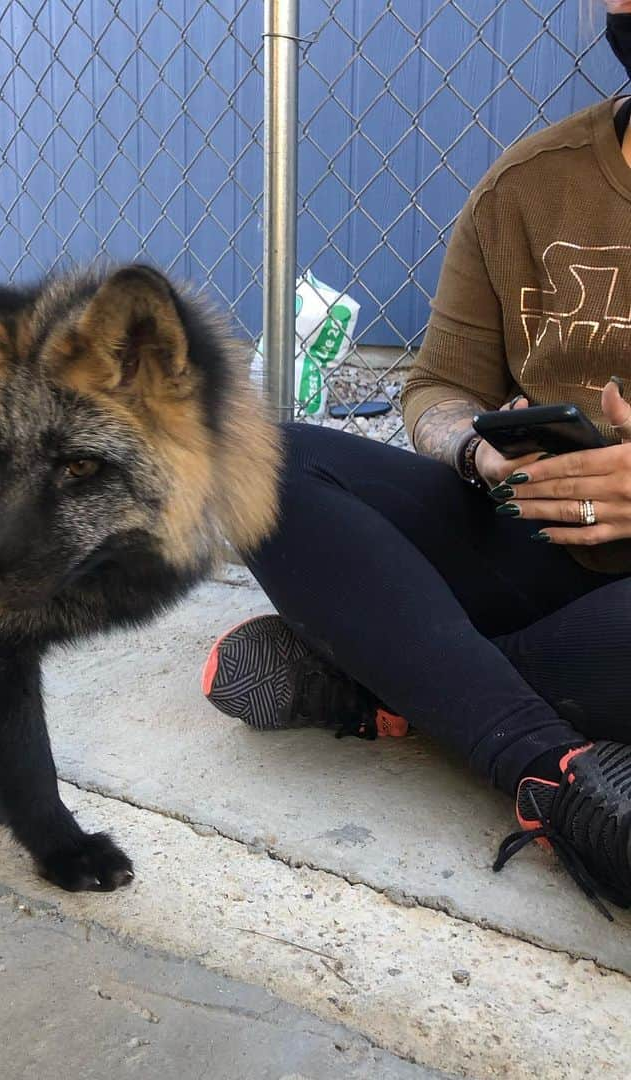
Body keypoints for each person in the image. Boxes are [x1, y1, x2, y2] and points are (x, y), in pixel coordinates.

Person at [203, 2, 631, 918]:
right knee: (259, 456)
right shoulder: (530, 186)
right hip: (533, 542)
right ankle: (549, 771)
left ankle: (381, 673)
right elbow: (435, 388)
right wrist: (477, 450)